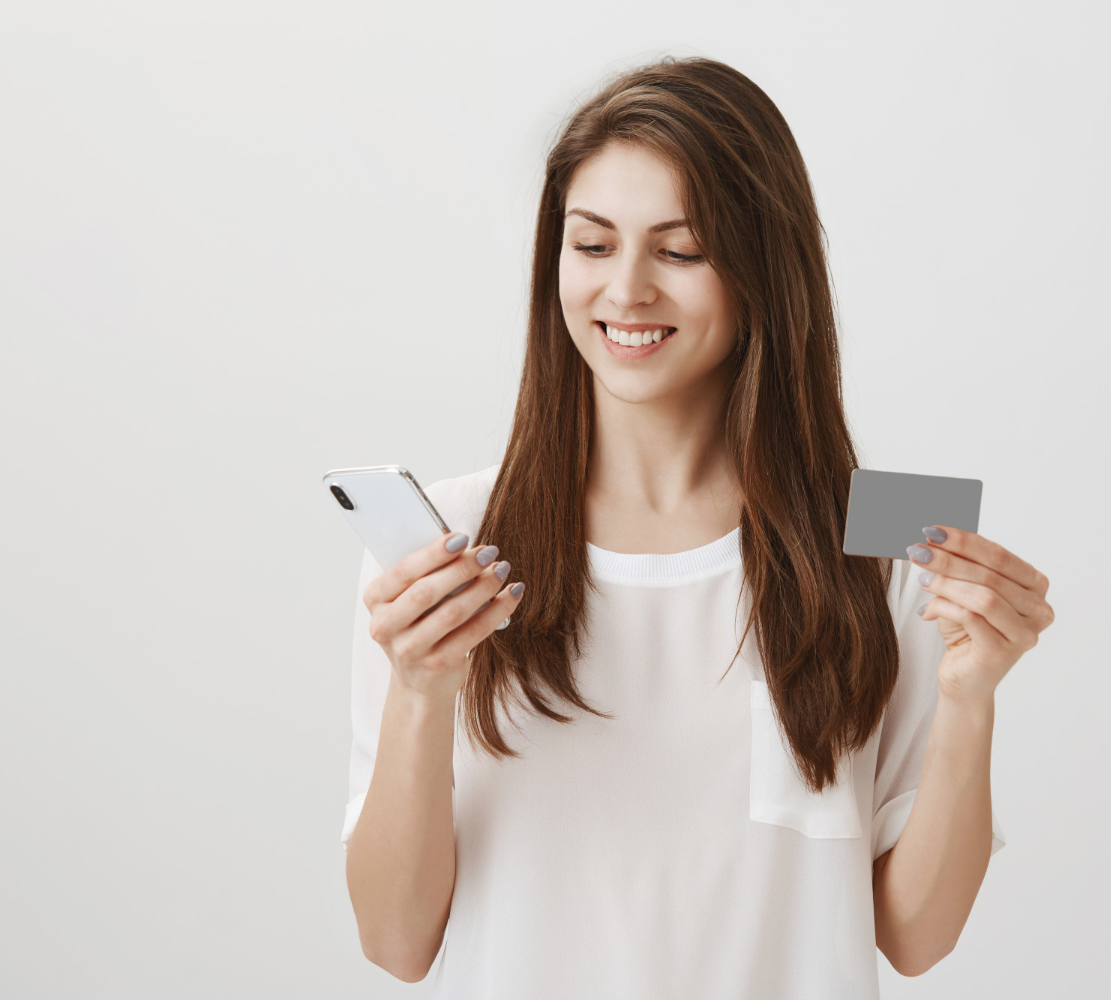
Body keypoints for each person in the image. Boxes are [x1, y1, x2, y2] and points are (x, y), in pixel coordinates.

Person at [341, 58, 1054, 998]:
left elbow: (916, 937)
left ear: (764, 266)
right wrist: (421, 694)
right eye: (592, 246)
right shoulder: (452, 547)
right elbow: (396, 943)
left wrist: (972, 697)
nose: (627, 291)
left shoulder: (885, 539)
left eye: (680, 252)